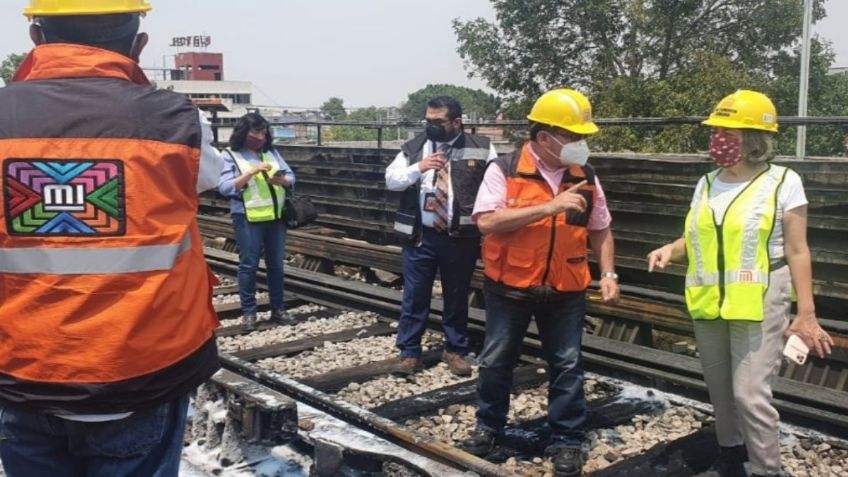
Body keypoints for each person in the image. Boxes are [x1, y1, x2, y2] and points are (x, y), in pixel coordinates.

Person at [0, 2, 225, 476]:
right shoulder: (177, 121)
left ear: (36, 37)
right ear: (139, 45)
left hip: (22, 375)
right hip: (141, 377)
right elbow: (213, 178)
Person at [647, 90, 834, 477]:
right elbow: (700, 237)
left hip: (761, 299)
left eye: (728, 131)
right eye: (717, 130)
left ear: (754, 139)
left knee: (749, 394)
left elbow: (799, 250)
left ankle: (767, 469)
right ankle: (731, 455)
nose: (718, 138)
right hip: (709, 302)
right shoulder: (707, 183)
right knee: (720, 389)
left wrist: (807, 313)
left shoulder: (784, 182)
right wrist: (670, 249)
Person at [461, 88, 620, 477]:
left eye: (584, 137)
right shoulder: (506, 168)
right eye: (574, 136)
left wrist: (610, 273)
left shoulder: (586, 174)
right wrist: (548, 208)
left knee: (567, 364)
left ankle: (566, 439)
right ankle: (489, 427)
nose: (581, 144)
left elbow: (601, 229)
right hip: (510, 285)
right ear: (545, 137)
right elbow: (486, 222)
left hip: (567, 286)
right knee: (497, 359)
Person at [385, 96, 498, 376]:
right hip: (421, 237)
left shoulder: (481, 148)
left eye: (438, 122)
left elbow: (497, 185)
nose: (431, 126)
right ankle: (410, 352)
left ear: (457, 122)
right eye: (428, 121)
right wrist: (419, 168)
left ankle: (455, 350)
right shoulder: (415, 147)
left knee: (457, 295)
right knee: (415, 296)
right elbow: (391, 180)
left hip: (460, 237)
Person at [218, 112, 296, 330]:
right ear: (244, 132)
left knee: (276, 266)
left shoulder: (271, 152)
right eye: (255, 132)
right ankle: (249, 313)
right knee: (249, 265)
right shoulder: (230, 155)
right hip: (248, 217)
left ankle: (278, 310)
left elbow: (292, 178)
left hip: (276, 217)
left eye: (263, 132)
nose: (260, 136)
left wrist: (283, 180)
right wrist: (251, 172)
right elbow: (224, 187)